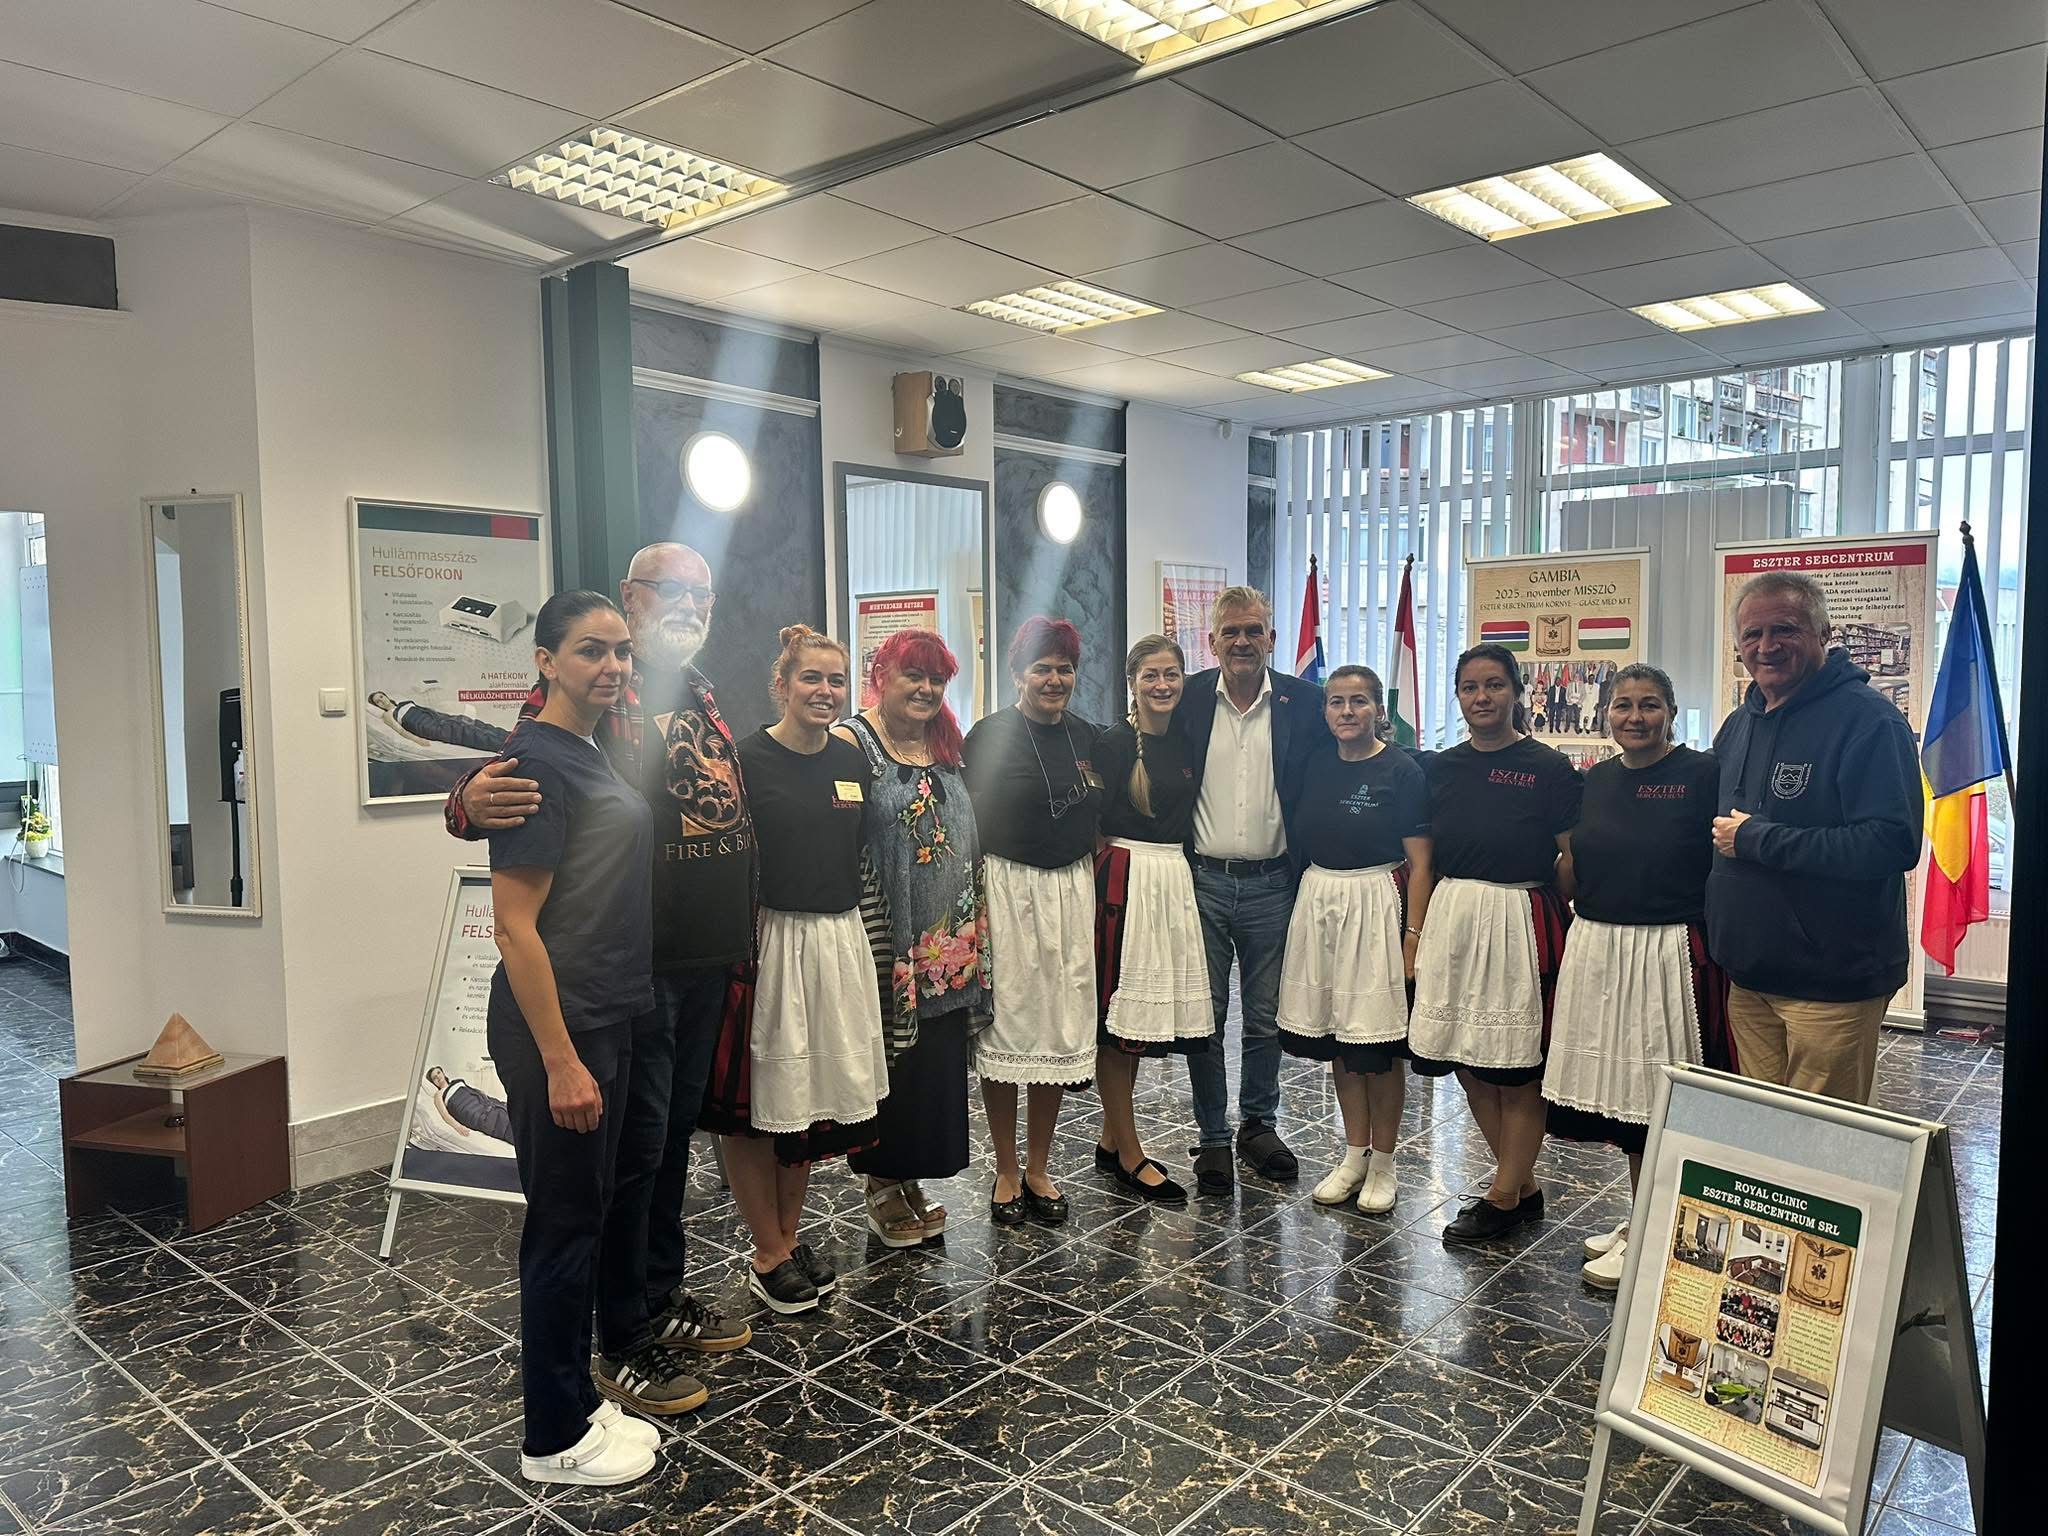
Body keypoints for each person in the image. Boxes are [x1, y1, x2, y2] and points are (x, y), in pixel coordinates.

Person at [450, 543, 753, 1405]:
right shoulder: (590, 698)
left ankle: (655, 1295)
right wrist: (464, 801)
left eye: (702, 593)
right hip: (630, 974)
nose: (689, 605)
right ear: (631, 595)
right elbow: (516, 769)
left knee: (666, 1146)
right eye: (671, 590)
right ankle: (625, 1330)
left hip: (701, 961)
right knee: (631, 1160)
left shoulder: (699, 691)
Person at [482, 591, 660, 1487]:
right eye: (592, 650)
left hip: (605, 1013)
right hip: (562, 1028)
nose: (613, 666)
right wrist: (560, 1060)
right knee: (561, 1228)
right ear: (546, 661)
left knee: (586, 1218)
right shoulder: (535, 765)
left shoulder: (588, 749)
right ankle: (552, 1437)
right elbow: (514, 927)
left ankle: (578, 1400)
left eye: (622, 651)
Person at [700, 627, 887, 1313]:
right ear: (781, 686)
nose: (825, 692)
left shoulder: (851, 758)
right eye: (811, 678)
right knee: (760, 1104)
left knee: (802, 1100)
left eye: (836, 680)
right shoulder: (745, 760)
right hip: (770, 942)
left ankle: (787, 1235)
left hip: (837, 941)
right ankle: (767, 1251)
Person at [1543, 664, 1729, 1289]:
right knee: (1629, 1099)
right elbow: (1576, 861)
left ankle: (1662, 1235)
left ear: (1671, 713)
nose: (1635, 717)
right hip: (1602, 947)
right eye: (1622, 705)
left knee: (1663, 1099)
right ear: (1605, 715)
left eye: (1650, 704)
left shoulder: (1702, 773)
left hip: (1667, 951)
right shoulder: (1596, 780)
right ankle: (1644, 1215)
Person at [1707, 572, 1921, 1105]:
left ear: (1824, 634)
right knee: (1763, 1128)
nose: (1767, 646)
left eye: (1785, 629)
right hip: (1749, 976)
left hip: (1831, 983)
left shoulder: (1870, 721)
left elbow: (1891, 842)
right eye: (1752, 634)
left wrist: (1759, 840)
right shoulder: (1738, 724)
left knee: (1820, 1137)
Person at [1410, 643, 1581, 1245]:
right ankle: (1521, 1184)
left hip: (1520, 918)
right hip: (1454, 916)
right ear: (1458, 696)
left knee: (1518, 1066)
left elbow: (1571, 857)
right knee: (1468, 1057)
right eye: (1470, 687)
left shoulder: (1548, 767)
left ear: (1516, 691)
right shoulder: (1438, 768)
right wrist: (1416, 933)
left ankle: (1503, 1196)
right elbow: (1425, 857)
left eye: (1494, 685)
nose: (1482, 697)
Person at [1174, 587, 1329, 1194]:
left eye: (1254, 631)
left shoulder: (1304, 703)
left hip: (1273, 884)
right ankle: (1213, 1136)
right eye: (1231, 632)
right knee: (1205, 1017)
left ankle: (1258, 1126)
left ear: (1271, 638)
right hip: (1203, 883)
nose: (1243, 642)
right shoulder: (1187, 698)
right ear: (1211, 641)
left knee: (1265, 1018)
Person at [837, 628, 989, 1248]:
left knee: (932, 1069)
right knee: (891, 1064)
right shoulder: (853, 742)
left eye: (937, 679)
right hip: (888, 937)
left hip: (948, 942)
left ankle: (910, 1177)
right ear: (882, 676)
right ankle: (881, 1182)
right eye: (914, 676)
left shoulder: (945, 742)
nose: (926, 689)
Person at [1277, 665, 1432, 1215]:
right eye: (1337, 702)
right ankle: (1354, 1155)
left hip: (1376, 906)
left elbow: (1421, 863)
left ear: (1378, 711)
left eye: (1359, 701)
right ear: (1325, 712)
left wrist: (1412, 938)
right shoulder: (1315, 764)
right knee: (1342, 1038)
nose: (1347, 711)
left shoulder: (1401, 770)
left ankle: (1385, 1162)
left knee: (1377, 1044)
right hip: (1321, 901)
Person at [963, 617, 1103, 1227]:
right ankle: (1004, 1167)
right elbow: (965, 820)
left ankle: (1039, 1167)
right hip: (1007, 889)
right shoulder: (988, 736)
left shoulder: (1088, 736)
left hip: (1069, 890)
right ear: (1017, 674)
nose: (1054, 679)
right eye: (1041, 668)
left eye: (1064, 669)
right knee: (1008, 1027)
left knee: (1055, 1028)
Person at [1088, 637, 1214, 1205]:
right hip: (1126, 877)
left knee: (1138, 1025)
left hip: (1172, 878)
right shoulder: (1113, 744)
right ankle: (1130, 1155)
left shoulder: (1187, 738)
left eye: (1172, 674)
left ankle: (1111, 1138)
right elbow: (1093, 825)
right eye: (1150, 676)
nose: (1162, 685)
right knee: (1119, 1023)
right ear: (1132, 683)